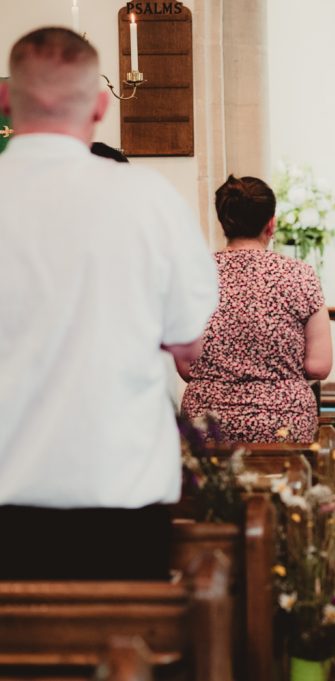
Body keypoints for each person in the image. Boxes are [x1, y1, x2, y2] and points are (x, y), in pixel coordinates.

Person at [0, 28, 219, 579]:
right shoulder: (147, 199)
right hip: (117, 487)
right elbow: (187, 340)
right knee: (124, 654)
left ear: (5, 99)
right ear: (101, 105)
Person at [178, 175, 332, 443]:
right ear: (270, 224)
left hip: (207, 424)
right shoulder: (299, 275)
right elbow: (319, 366)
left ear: (224, 222)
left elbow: (185, 366)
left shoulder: (193, 275)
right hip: (283, 423)